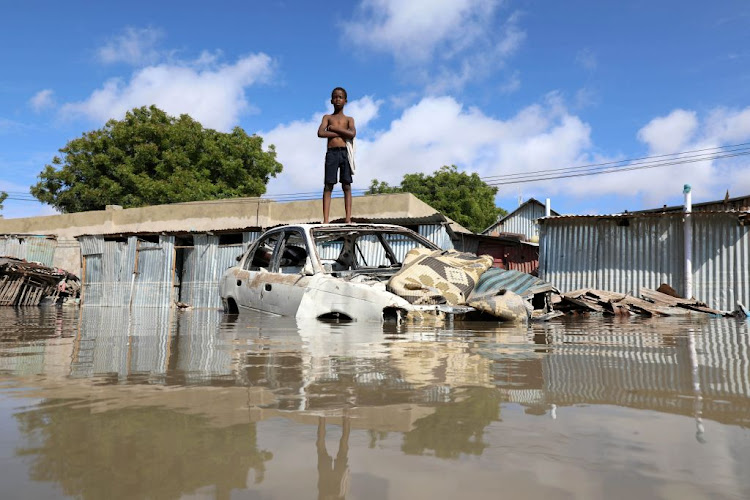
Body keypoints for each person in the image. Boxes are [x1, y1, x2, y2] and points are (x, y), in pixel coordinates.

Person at [318, 87, 356, 223]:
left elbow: (352, 134)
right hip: (332, 153)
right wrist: (341, 132)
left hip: (344, 153)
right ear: (331, 100)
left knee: (346, 185)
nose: (337, 99)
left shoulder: (349, 119)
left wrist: (334, 129)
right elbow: (321, 133)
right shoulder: (327, 117)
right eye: (335, 97)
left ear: (345, 101)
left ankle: (348, 218)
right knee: (329, 185)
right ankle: (326, 220)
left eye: (340, 97)